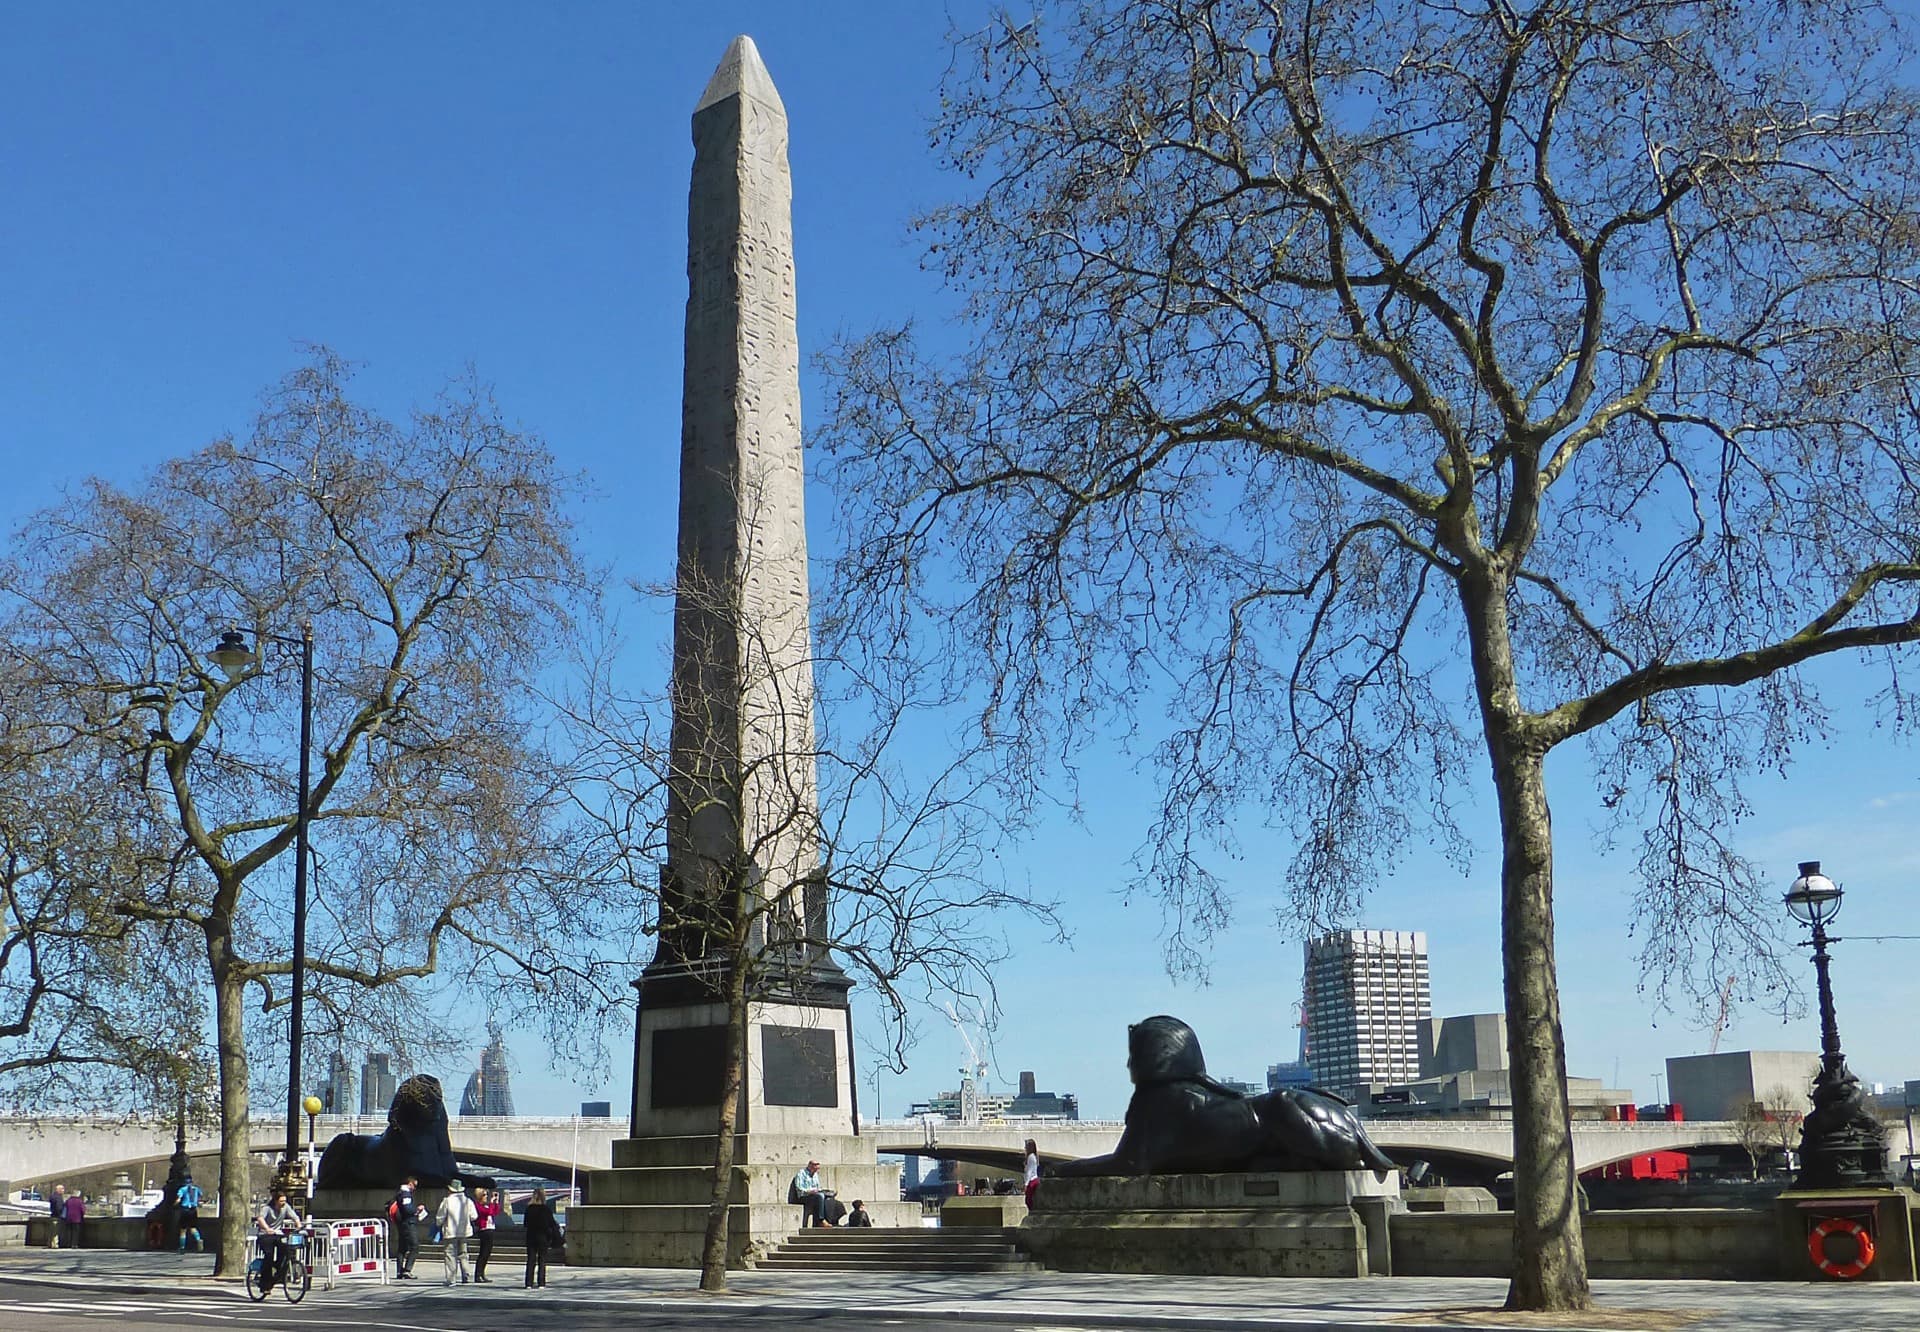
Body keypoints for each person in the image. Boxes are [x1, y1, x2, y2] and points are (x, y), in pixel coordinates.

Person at [254, 1190, 300, 1292]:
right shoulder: (267, 1208)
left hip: (278, 1234)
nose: (283, 1203)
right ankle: (265, 1284)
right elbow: (260, 1219)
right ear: (275, 1201)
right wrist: (267, 1229)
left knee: (285, 1250)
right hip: (265, 1235)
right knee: (269, 1256)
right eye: (281, 1201)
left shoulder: (285, 1207)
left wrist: (298, 1225)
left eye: (284, 1201)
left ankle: (279, 1273)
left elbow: (294, 1217)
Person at [436, 1179, 478, 1286]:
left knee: (450, 1255)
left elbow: (440, 1218)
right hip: (464, 1232)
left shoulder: (446, 1201)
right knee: (463, 1254)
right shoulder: (467, 1201)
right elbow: (474, 1216)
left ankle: (451, 1279)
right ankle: (466, 1275)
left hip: (450, 1231)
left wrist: (439, 1224)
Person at [522, 1186, 562, 1289]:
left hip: (531, 1237)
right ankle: (541, 1282)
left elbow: (525, 1224)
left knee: (530, 1260)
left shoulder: (529, 1209)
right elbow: (551, 1223)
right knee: (542, 1260)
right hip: (543, 1237)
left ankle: (528, 1283)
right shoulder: (545, 1209)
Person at [389, 1175, 422, 1278]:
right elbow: (407, 1209)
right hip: (408, 1223)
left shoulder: (399, 1193)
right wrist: (417, 1210)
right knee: (414, 1246)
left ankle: (399, 1271)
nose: (415, 1188)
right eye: (414, 1185)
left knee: (402, 1247)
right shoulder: (406, 1194)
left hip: (402, 1223)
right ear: (410, 1184)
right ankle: (407, 1270)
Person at [471, 1185, 503, 1283]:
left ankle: (482, 1274)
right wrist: (492, 1203)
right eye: (484, 1195)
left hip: (490, 1228)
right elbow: (487, 1212)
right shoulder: (478, 1205)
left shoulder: (487, 1204)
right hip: (484, 1230)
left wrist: (496, 1202)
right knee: (483, 1253)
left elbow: (495, 1212)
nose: (486, 1197)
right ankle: (478, 1275)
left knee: (487, 1253)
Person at [790, 1159, 829, 1227]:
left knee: (827, 1197)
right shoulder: (801, 1173)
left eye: (817, 1169)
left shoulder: (815, 1175)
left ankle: (828, 1220)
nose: (815, 1171)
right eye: (815, 1169)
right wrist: (810, 1191)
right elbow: (799, 1188)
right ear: (810, 1166)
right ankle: (820, 1220)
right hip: (803, 1196)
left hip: (813, 1195)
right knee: (820, 1196)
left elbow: (817, 1187)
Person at [177, 1176, 204, 1252]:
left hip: (185, 1210)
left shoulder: (182, 1189)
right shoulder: (196, 1189)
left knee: (183, 1230)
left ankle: (182, 1247)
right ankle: (198, 1239)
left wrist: (174, 1204)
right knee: (193, 1228)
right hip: (193, 1210)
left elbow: (179, 1199)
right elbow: (200, 1197)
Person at [1024, 1138, 1042, 1207]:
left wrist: (1026, 1184)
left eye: (1026, 1146)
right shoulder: (1033, 1156)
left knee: (1029, 1200)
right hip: (1034, 1180)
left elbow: (1029, 1171)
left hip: (1032, 1181)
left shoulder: (1031, 1157)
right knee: (1030, 1199)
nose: (1025, 1148)